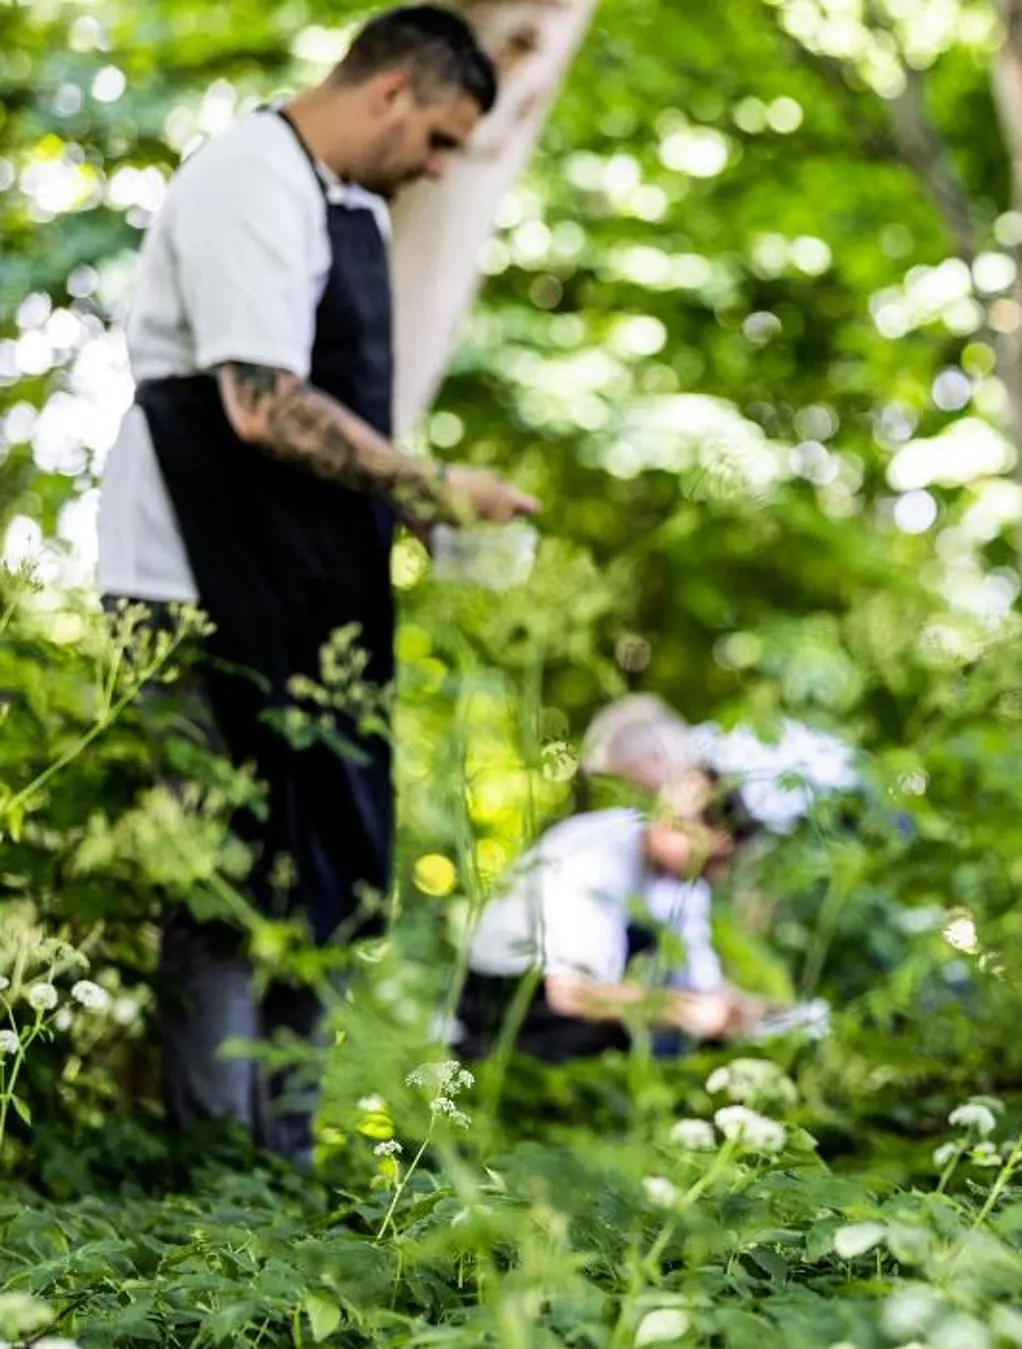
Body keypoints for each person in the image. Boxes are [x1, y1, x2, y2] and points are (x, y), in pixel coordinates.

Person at [98, 6, 539, 1158]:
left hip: (309, 591)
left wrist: (396, 510)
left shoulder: (341, 202)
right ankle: (220, 1183)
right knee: (227, 885)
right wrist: (435, 484)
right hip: (193, 587)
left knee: (330, 877)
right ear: (390, 91)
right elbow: (261, 401)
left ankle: (283, 1163)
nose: (438, 170)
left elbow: (339, 413)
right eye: (440, 140)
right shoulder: (254, 176)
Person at [458, 769, 795, 1060]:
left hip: (568, 998)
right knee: (653, 1038)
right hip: (505, 1002)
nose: (716, 875)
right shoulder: (596, 854)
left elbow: (698, 980)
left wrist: (755, 1011)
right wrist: (688, 1011)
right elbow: (572, 993)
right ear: (679, 822)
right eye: (713, 860)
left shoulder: (685, 882)